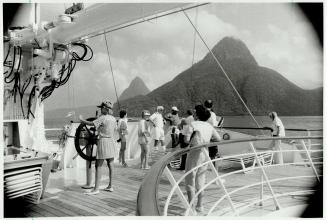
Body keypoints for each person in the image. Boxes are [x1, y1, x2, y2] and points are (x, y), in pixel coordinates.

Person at [185, 104, 221, 213]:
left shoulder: (193, 124)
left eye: (195, 112)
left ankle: (191, 208)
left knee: (190, 179)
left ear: (197, 114)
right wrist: (207, 142)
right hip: (205, 153)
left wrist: (191, 140)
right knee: (200, 179)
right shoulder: (209, 126)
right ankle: (200, 206)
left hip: (194, 153)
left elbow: (187, 140)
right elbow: (218, 139)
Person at [79, 101, 116, 195]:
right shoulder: (113, 118)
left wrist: (82, 120)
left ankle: (96, 189)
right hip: (111, 141)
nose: (100, 109)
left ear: (105, 108)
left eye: (101, 108)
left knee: (98, 166)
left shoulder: (102, 117)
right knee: (110, 164)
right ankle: (110, 186)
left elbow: (91, 123)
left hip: (103, 141)